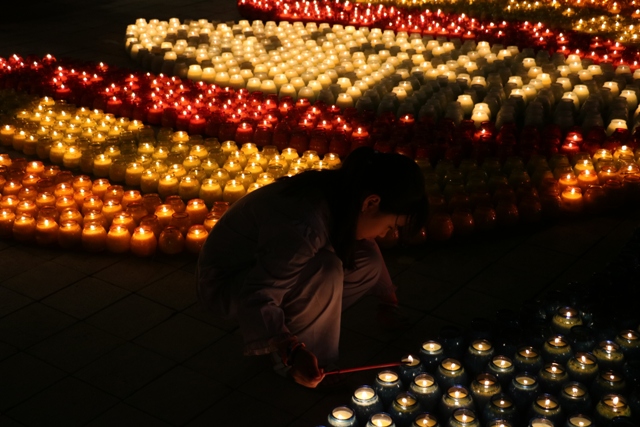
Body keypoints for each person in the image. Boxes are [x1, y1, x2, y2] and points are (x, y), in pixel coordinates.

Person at [196, 146, 427, 388]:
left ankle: (291, 329)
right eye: (390, 226)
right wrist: (290, 350)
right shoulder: (303, 222)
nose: (384, 234)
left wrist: (387, 300)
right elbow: (259, 294)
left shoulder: (343, 193)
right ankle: (312, 366)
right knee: (325, 269)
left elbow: (369, 253)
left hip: (264, 273)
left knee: (366, 259)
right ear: (371, 202)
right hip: (229, 284)